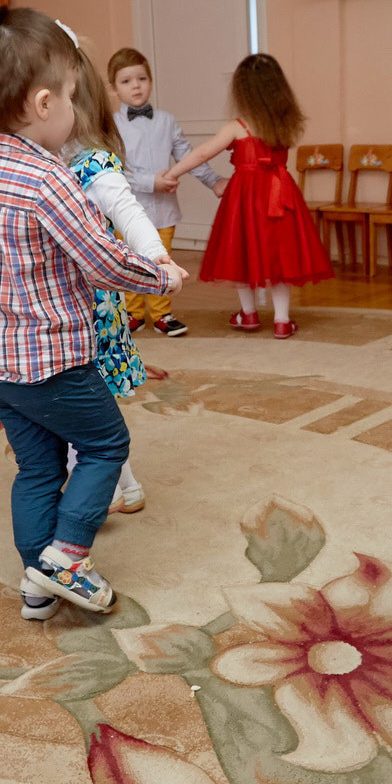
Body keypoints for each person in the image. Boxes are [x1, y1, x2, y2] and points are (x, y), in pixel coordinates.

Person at [0, 7, 182, 618]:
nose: (76, 109)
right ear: (44, 104)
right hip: (53, 361)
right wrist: (161, 275)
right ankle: (67, 556)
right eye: (72, 96)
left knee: (38, 468)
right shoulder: (48, 180)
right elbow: (100, 261)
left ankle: (35, 584)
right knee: (105, 446)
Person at [66, 45, 181, 522]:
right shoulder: (34, 167)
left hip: (86, 304)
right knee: (82, 405)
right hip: (54, 302)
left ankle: (92, 496)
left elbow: (128, 211)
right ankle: (125, 485)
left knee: (79, 401)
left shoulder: (92, 163)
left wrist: (157, 257)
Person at [159, 54, 333, 339]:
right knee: (280, 258)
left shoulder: (237, 127)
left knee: (241, 252)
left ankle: (249, 315)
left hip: (245, 198)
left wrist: (172, 173)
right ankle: (282, 320)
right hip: (280, 195)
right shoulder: (285, 125)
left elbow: (202, 153)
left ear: (243, 92)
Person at [110, 47, 222, 337]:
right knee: (130, 259)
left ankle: (162, 313)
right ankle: (133, 312)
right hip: (127, 208)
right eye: (126, 81)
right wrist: (151, 182)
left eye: (142, 78)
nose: (136, 85)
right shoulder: (112, 125)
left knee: (162, 258)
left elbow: (187, 156)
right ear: (113, 88)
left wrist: (213, 181)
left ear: (150, 81)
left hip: (163, 210)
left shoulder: (166, 121)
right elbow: (115, 168)